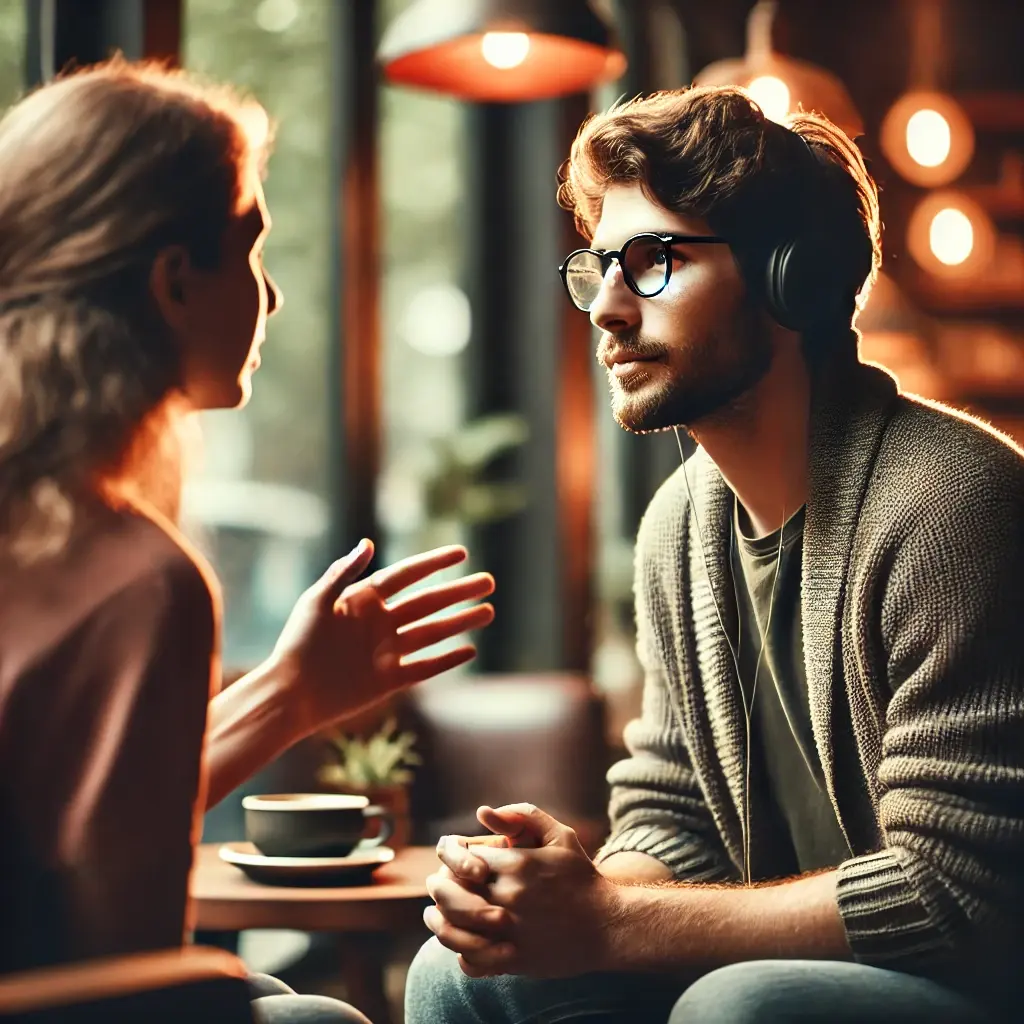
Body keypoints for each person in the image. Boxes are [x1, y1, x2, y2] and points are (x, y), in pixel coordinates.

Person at [404, 85, 1024, 1024]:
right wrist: (558, 902)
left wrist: (614, 923)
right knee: (456, 972)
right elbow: (677, 814)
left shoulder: (953, 504)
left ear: (793, 280)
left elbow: (957, 895)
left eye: (652, 262)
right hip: (778, 975)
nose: (606, 308)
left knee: (744, 1004)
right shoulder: (679, 529)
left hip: (976, 981)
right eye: (598, 266)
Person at [0, 60, 495, 1024]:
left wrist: (289, 693)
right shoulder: (136, 581)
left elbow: (49, 846)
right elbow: (128, 977)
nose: (270, 301)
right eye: (251, 251)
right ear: (176, 282)